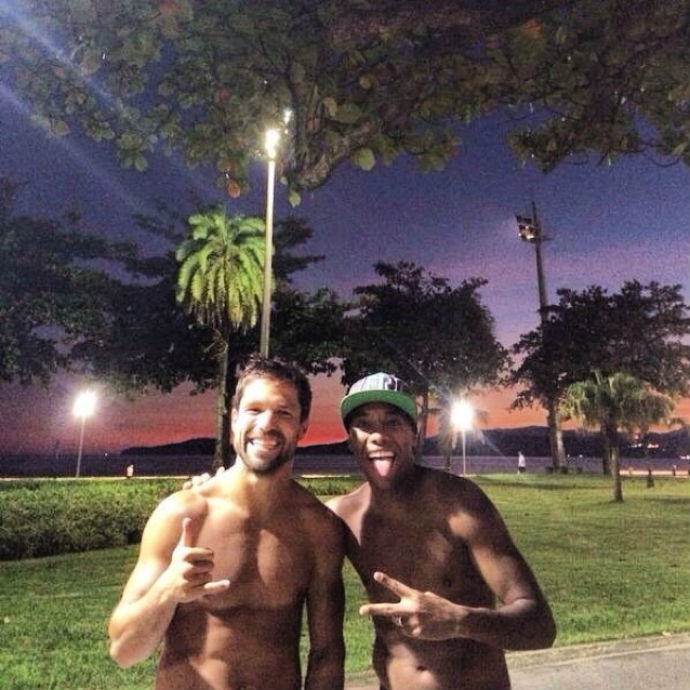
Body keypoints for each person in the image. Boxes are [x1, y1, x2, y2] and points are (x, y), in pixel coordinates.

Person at [108, 355, 345, 690]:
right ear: (234, 419)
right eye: (254, 409)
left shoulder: (318, 529)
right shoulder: (183, 515)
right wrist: (168, 589)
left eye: (283, 413)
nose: (266, 423)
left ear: (303, 427)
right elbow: (123, 651)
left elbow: (327, 654)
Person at [327, 372, 556, 690]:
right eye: (364, 424)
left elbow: (540, 626)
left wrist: (460, 620)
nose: (378, 435)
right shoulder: (341, 517)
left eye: (393, 422)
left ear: (415, 434)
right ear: (351, 439)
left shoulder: (460, 503)